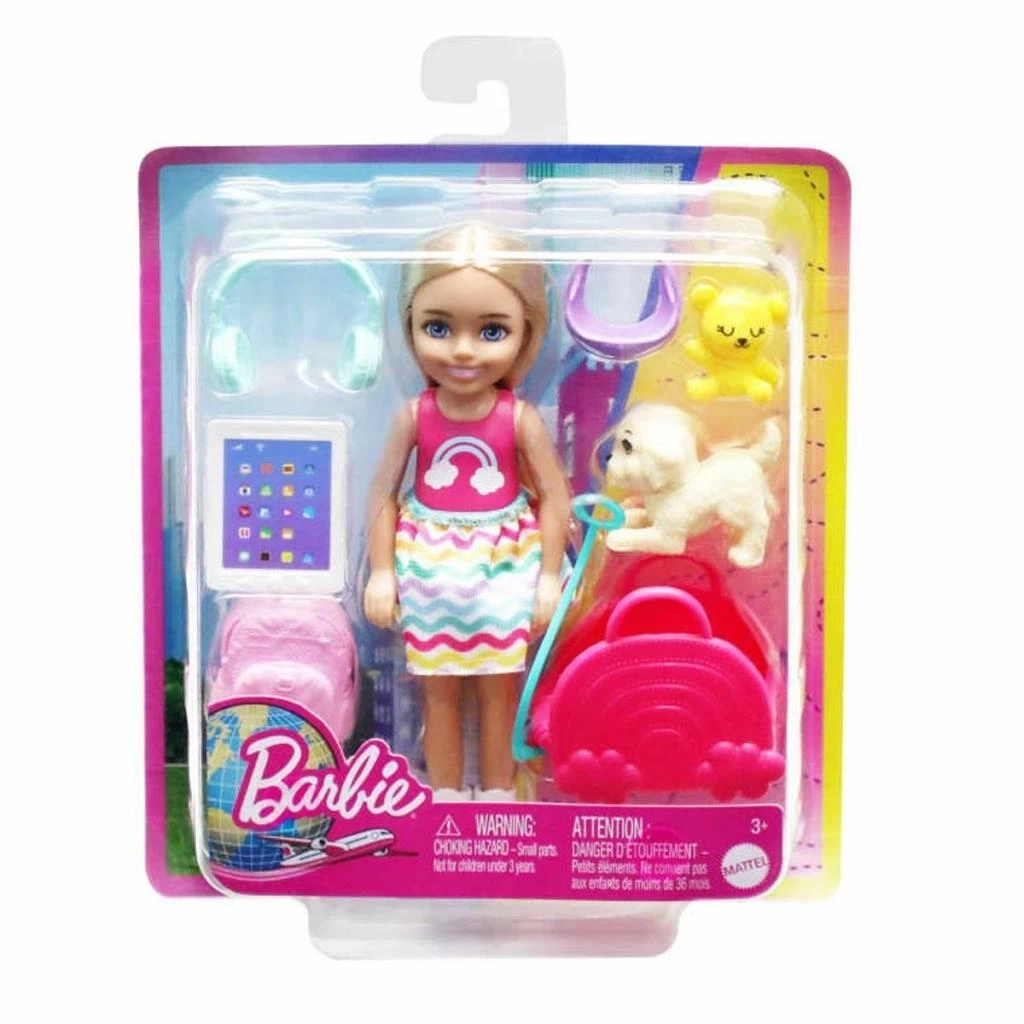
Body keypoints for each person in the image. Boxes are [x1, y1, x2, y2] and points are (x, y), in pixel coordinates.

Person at [363, 223, 570, 801]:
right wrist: (381, 572)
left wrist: (548, 578)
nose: (462, 349)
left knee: (501, 689)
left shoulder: (518, 418)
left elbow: (555, 496)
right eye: (438, 327)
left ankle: (499, 798)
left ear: (525, 333)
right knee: (439, 692)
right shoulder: (415, 415)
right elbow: (382, 493)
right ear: (409, 325)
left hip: (504, 563)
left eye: (491, 331)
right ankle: (447, 797)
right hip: (430, 566)